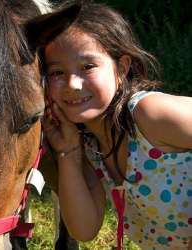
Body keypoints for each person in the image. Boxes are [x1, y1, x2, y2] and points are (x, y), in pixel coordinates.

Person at [42, 2, 192, 249]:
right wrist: (68, 152)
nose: (72, 84)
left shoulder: (148, 114)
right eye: (57, 72)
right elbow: (84, 228)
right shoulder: (90, 147)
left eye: (87, 66)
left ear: (121, 68)